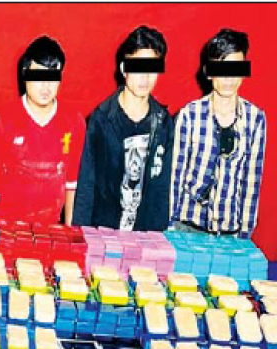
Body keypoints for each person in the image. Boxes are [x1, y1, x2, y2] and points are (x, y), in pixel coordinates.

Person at [73, 25, 174, 231]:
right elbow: (86, 185)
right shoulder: (101, 119)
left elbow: (162, 190)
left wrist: (158, 238)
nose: (145, 77)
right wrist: (81, 235)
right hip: (103, 233)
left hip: (144, 236)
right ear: (124, 69)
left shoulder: (164, 123)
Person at [170, 28, 266, 238]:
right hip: (187, 225)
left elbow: (251, 183)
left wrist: (244, 235)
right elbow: (175, 176)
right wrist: (170, 226)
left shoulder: (255, 119)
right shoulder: (189, 115)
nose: (228, 78)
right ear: (208, 71)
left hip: (229, 229)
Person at [0, 36, 85, 226]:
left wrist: (70, 233)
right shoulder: (3, 121)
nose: (46, 86)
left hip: (51, 230)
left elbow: (72, 186)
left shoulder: (73, 122)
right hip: (8, 230)